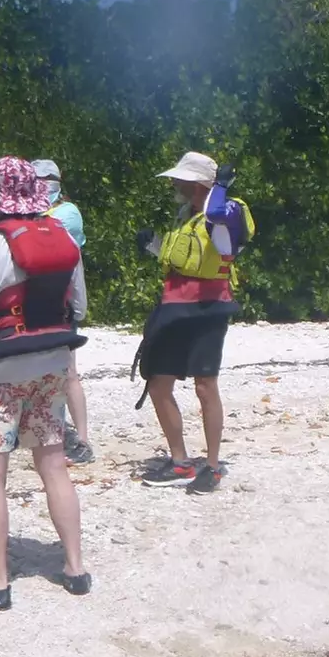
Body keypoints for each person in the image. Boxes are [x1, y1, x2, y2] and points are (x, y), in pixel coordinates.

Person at [0, 156, 90, 611]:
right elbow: (79, 310)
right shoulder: (65, 238)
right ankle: (75, 568)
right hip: (51, 366)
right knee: (53, 465)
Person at [135, 151, 253, 493]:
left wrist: (220, 185)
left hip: (208, 310)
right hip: (175, 308)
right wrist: (154, 247)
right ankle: (181, 461)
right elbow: (185, 260)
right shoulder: (185, 216)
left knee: (205, 386)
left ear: (198, 184)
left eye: (180, 180)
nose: (174, 184)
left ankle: (213, 466)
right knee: (158, 384)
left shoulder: (227, 212)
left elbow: (216, 212)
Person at [28, 158, 94, 465]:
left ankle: (81, 440)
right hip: (30, 303)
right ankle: (42, 431)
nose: (42, 185)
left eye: (47, 179)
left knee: (68, 373)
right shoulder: (34, 214)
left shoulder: (67, 213)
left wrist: (79, 308)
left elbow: (69, 256)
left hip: (61, 303)